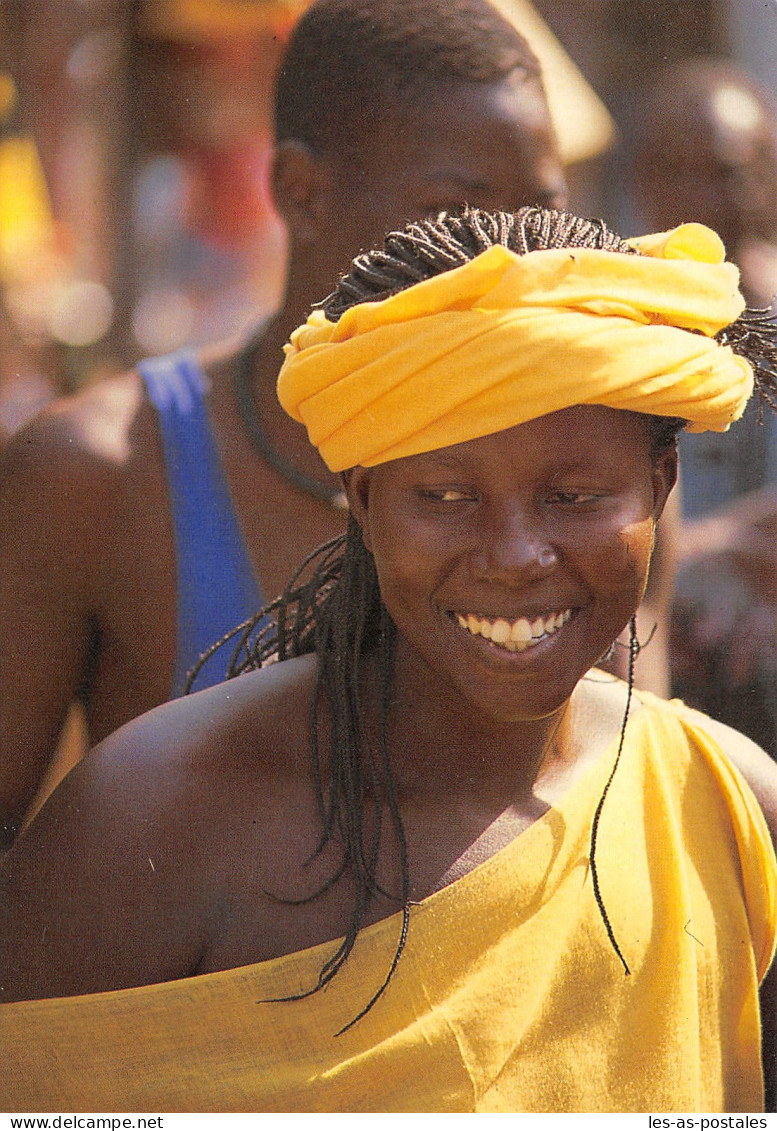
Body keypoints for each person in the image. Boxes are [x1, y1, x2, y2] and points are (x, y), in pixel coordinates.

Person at [1, 206, 776, 1114]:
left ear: (659, 489)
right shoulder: (147, 826)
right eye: (444, 495)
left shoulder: (726, 812)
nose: (515, 552)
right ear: (362, 499)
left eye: (572, 495)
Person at [0, 0, 567, 846]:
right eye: (459, 214)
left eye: (542, 213)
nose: (510, 259)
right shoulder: (98, 476)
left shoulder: (588, 492)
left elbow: (628, 803)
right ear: (300, 192)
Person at [630, 57, 777, 755]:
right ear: (643, 182)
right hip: (659, 666)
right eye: (673, 169)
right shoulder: (610, 333)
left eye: (722, 170)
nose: (699, 196)